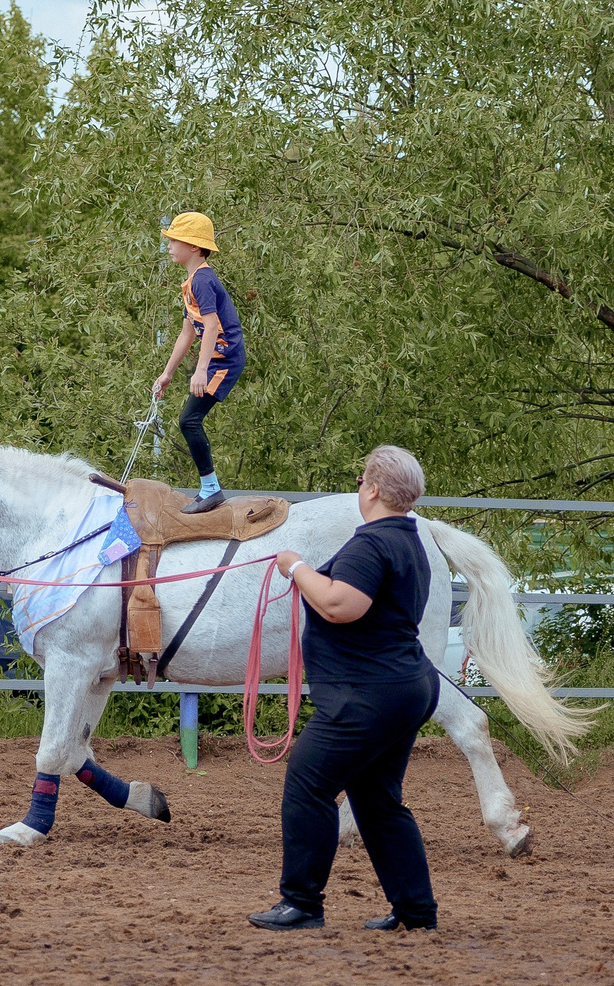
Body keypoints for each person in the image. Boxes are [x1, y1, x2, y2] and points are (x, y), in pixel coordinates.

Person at [248, 445, 439, 933]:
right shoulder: (408, 541)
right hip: (405, 686)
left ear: (372, 489)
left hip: (367, 694)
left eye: (361, 481)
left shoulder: (371, 544)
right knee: (378, 800)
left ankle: (301, 902)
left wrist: (295, 567)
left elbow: (340, 605)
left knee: (308, 783)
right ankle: (416, 911)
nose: (360, 488)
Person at [151, 212, 245, 513]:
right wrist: (167, 373)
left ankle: (211, 489)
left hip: (225, 360)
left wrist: (201, 369)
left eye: (174, 240)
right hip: (215, 358)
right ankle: (209, 488)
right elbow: (187, 332)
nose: (169, 245)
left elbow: (213, 326)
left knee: (189, 420)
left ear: (193, 246)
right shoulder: (192, 282)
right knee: (188, 420)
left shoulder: (203, 280)